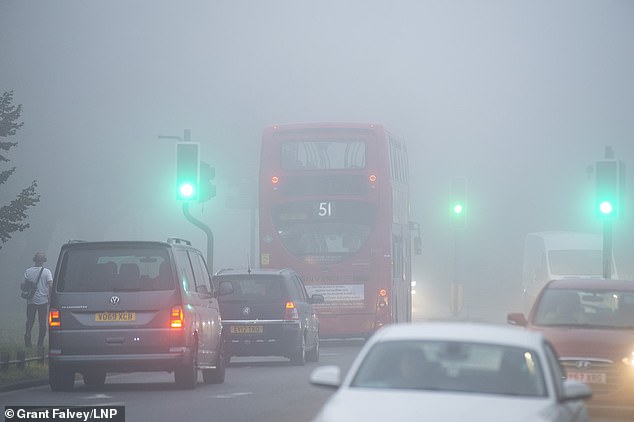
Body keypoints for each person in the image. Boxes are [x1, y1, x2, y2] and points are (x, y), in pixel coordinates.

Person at [24, 252, 53, 350]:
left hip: (31, 301)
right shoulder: (47, 272)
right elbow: (50, 285)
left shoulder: (28, 271)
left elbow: (26, 286)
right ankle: (40, 343)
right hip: (43, 301)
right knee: (42, 323)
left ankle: (27, 339)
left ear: (34, 259)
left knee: (30, 321)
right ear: (44, 260)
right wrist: (50, 297)